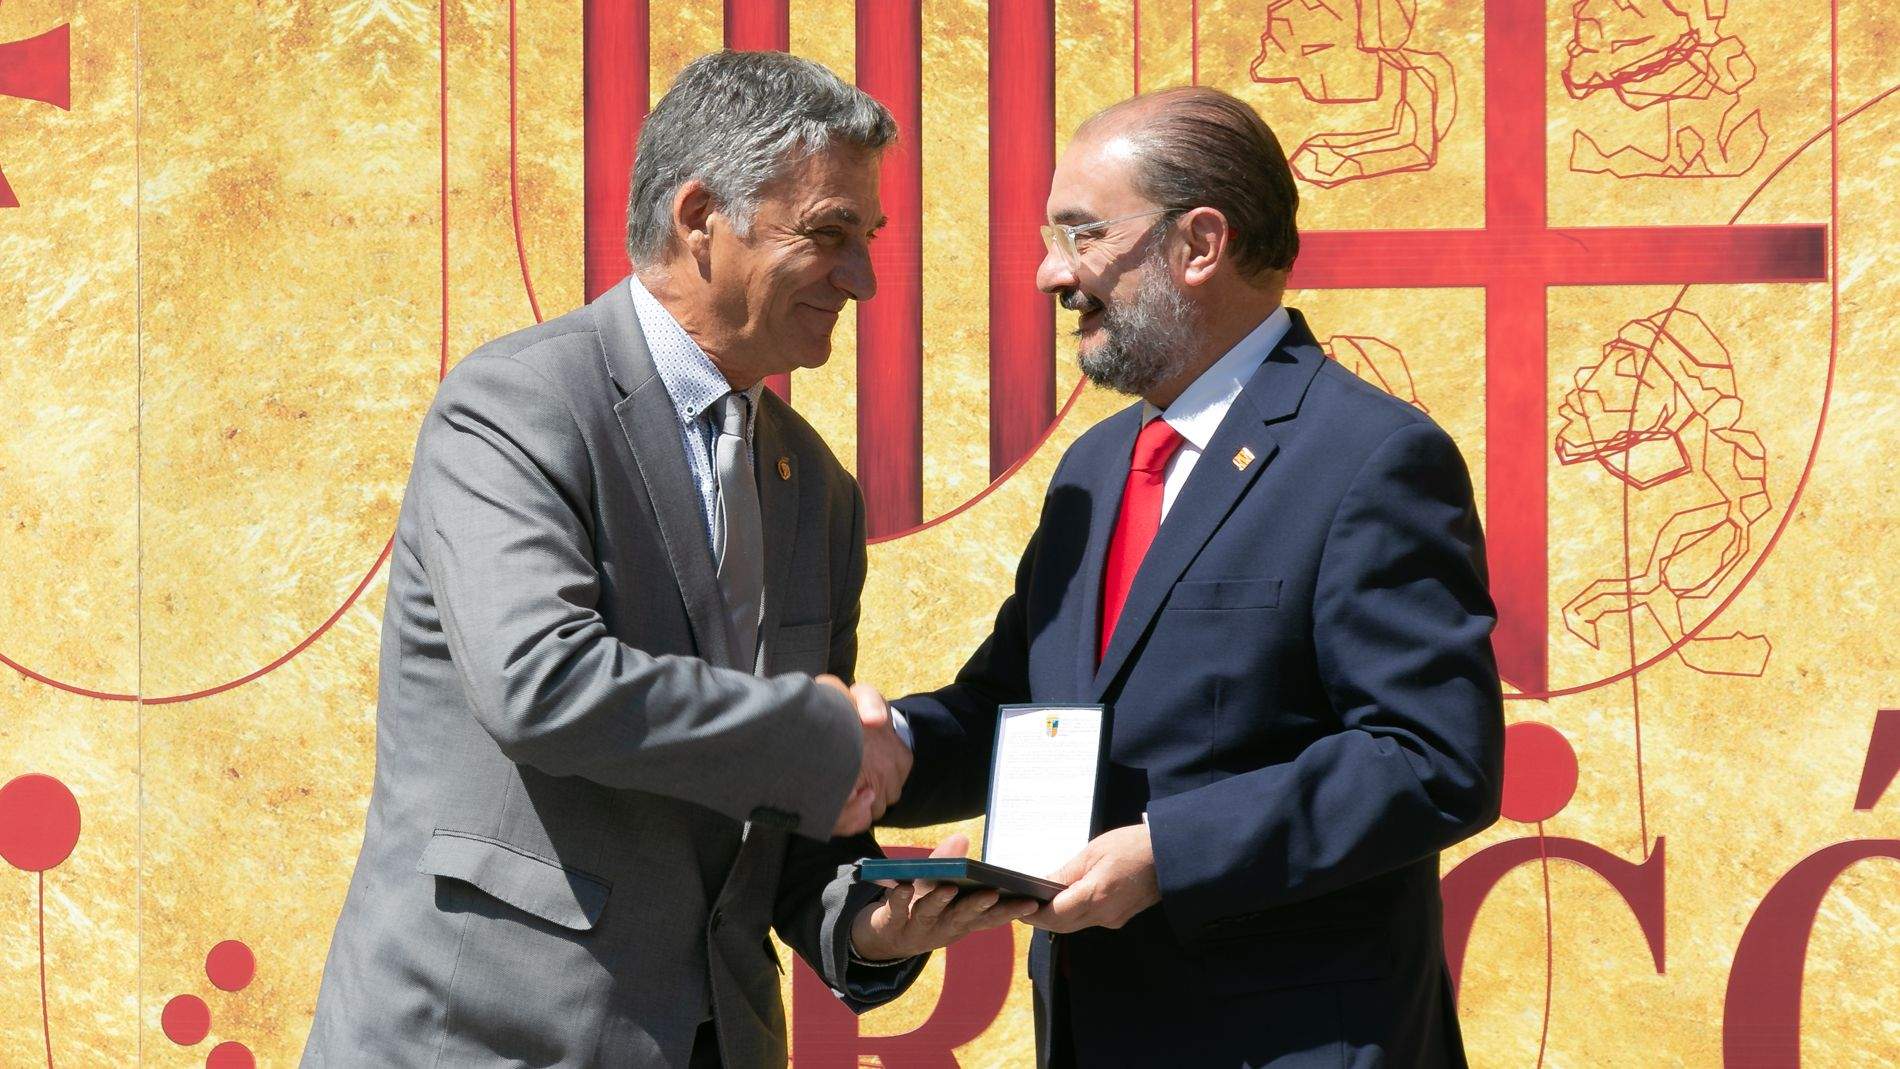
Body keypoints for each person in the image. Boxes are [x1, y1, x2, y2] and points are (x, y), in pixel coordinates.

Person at [303, 51, 1022, 1068]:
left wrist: (864, 923)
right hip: (484, 1040)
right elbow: (538, 683)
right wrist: (820, 733)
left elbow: (774, 817)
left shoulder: (815, 491)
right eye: (828, 234)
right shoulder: (519, 405)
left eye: (868, 240)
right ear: (698, 218)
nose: (862, 279)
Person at [875, 86, 1505, 1066]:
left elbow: (1430, 759)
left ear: (1198, 244)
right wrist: (869, 749)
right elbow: (1018, 708)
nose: (1051, 273)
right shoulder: (1093, 473)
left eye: (1081, 236)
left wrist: (1171, 852)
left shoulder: (1369, 458)